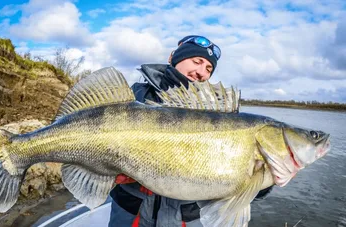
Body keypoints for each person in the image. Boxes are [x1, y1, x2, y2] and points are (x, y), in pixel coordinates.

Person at [108, 35, 273, 227]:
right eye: (197, 61)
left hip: (186, 218)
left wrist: (265, 177)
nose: (201, 72)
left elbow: (238, 181)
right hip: (131, 212)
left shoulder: (220, 113)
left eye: (209, 68)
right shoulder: (135, 97)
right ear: (173, 58)